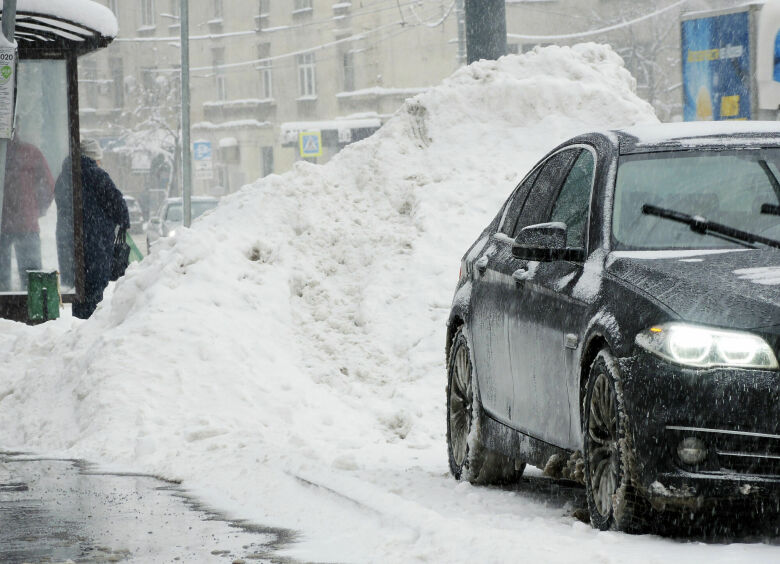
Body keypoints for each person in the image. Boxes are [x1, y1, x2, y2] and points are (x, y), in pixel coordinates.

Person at [55, 138, 129, 319]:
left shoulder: (65, 175)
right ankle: (87, 333)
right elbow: (118, 206)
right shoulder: (96, 175)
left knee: (77, 294)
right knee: (93, 297)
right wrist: (123, 222)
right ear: (93, 157)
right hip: (94, 246)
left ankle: (77, 329)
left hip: (68, 245)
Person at [0, 137, 55, 291]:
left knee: (5, 281)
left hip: (17, 223)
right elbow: (48, 185)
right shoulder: (29, 152)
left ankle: (6, 309)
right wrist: (35, 209)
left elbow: (47, 185)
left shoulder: (29, 152)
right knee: (32, 277)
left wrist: (36, 209)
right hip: (25, 223)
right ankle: (33, 309)